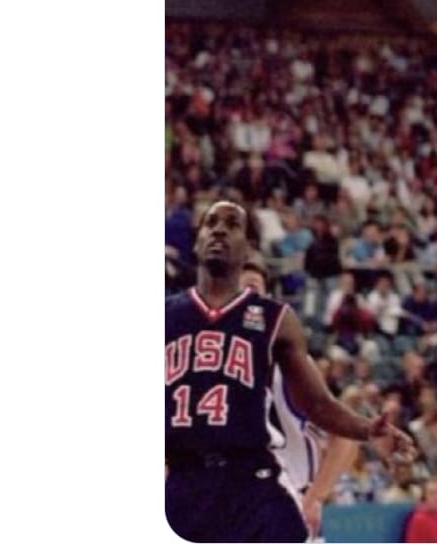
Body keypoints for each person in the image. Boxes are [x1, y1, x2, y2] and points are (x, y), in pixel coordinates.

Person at [166, 200, 413, 543]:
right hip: (184, 479)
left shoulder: (276, 321)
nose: (219, 230)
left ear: (248, 247)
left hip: (253, 480)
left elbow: (319, 405)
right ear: (196, 242)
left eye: (232, 224)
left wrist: (367, 430)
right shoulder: (165, 316)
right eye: (211, 223)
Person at [239, 255, 361, 539]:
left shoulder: (289, 366)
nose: (244, 299)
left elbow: (345, 438)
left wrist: (315, 497)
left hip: (287, 503)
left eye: (252, 289)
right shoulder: (207, 369)